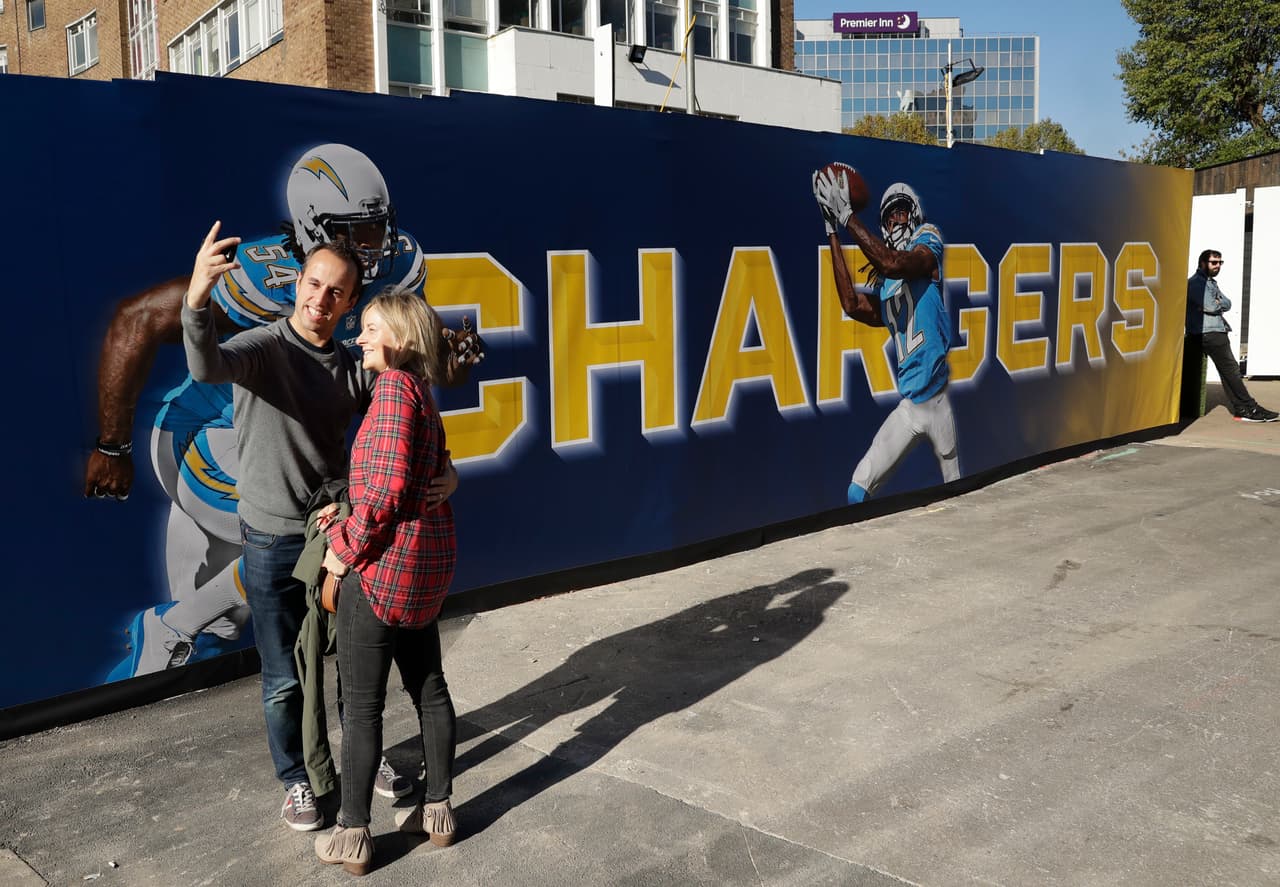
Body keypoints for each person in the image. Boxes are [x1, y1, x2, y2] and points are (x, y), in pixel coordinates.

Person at [91, 143, 477, 682]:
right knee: (323, 527)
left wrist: (446, 426)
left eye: (376, 227)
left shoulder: (398, 263)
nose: (373, 245)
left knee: (228, 626)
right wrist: (112, 445)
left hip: (276, 443)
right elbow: (135, 320)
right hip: (206, 433)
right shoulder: (264, 276)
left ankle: (188, 627)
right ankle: (173, 627)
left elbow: (414, 371)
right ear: (315, 231)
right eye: (354, 231)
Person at [313, 290, 459, 875]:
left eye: (370, 327)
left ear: (398, 334)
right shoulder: (421, 390)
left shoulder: (394, 388)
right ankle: (440, 811)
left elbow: (390, 487)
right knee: (430, 688)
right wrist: (348, 507)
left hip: (380, 573)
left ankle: (351, 836)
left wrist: (340, 553)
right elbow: (423, 474)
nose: (360, 337)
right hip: (424, 570)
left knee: (363, 706)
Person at [812, 165, 960, 503]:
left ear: (914, 214)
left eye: (900, 212)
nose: (895, 221)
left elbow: (895, 263)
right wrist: (832, 230)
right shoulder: (889, 286)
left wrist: (848, 216)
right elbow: (851, 304)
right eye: (889, 217)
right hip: (910, 406)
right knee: (857, 489)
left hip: (937, 401)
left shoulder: (928, 240)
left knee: (956, 495)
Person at [1185, 250, 1278, 423]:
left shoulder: (1210, 283)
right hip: (1209, 333)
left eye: (1220, 262)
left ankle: (1243, 408)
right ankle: (1249, 408)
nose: (1218, 266)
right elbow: (1212, 306)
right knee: (1232, 371)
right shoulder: (1198, 283)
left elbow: (1228, 303)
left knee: (1228, 373)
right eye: (1214, 262)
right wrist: (1216, 303)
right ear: (1203, 263)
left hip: (1214, 331)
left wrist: (1217, 303)